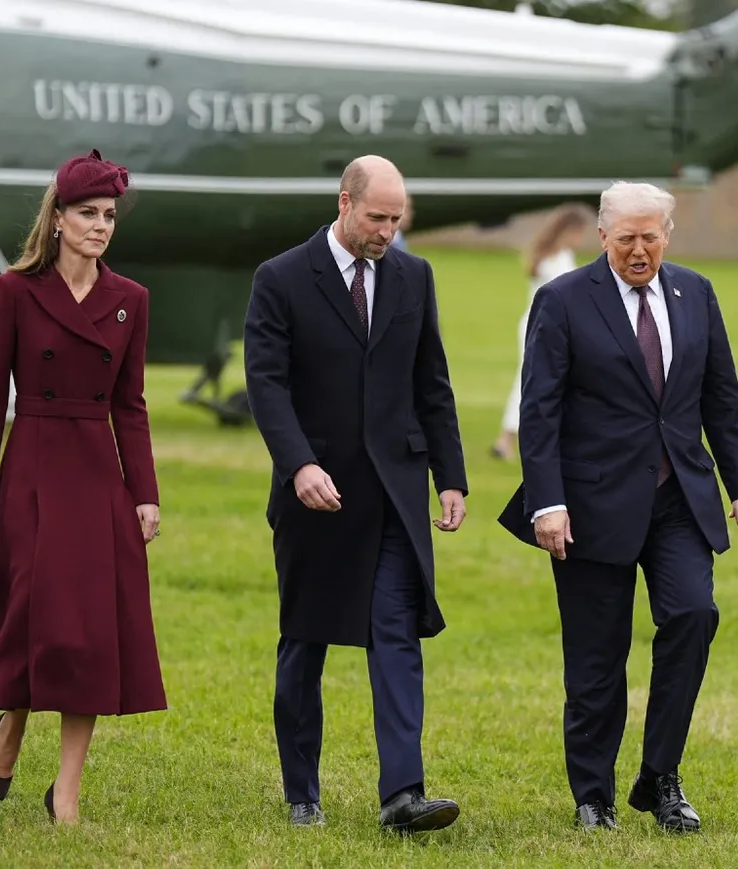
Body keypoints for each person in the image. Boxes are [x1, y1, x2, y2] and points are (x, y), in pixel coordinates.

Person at [497, 181, 738, 833]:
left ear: (667, 234)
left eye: (651, 237)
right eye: (626, 239)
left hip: (678, 496)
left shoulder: (696, 293)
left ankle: (660, 776)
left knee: (693, 614)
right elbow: (539, 410)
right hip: (588, 504)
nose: (640, 250)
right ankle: (594, 796)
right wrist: (548, 502)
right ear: (602, 237)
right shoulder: (562, 300)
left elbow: (721, 399)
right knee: (596, 657)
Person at [0, 149, 166, 826]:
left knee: (87, 631)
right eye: (88, 214)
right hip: (30, 463)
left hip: (99, 474)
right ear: (57, 218)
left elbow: (132, 405)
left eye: (110, 216)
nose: (101, 227)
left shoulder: (131, 301)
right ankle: (10, 726)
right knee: (33, 615)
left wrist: (145, 493)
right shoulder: (15, 291)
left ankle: (66, 790)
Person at [243, 155, 468, 833]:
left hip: (396, 492)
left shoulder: (414, 276)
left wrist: (451, 474)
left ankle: (403, 793)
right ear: (345, 203)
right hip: (318, 492)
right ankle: (302, 788)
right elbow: (267, 384)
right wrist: (299, 464)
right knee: (305, 641)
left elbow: (433, 381)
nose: (387, 232)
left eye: (397, 219)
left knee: (396, 634)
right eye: (377, 217)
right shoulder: (280, 278)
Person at [491, 202, 593, 461]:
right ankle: (506, 439)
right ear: (569, 230)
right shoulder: (556, 260)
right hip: (543, 325)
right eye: (580, 232)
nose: (582, 239)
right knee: (531, 381)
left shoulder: (553, 255)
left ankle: (546, 440)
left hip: (543, 324)